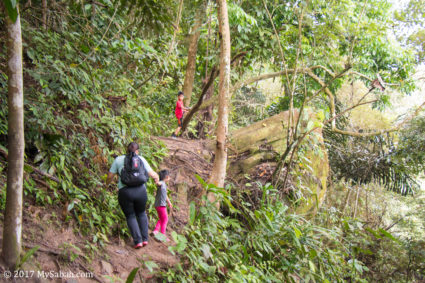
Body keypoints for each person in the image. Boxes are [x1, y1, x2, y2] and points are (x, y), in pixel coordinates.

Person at [106, 142, 160, 249]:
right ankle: (145, 239)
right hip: (141, 191)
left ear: (126, 150)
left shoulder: (118, 160)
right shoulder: (141, 159)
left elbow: (110, 176)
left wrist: (106, 184)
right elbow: (153, 174)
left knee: (130, 215)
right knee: (141, 213)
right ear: (137, 151)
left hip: (125, 192)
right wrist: (157, 180)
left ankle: (138, 241)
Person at [152, 170, 173, 240]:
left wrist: (169, 202)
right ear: (167, 177)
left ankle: (155, 230)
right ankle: (163, 236)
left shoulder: (164, 185)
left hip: (158, 205)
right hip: (161, 205)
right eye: (169, 177)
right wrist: (157, 182)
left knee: (161, 219)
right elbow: (159, 183)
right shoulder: (162, 183)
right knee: (165, 219)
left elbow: (165, 195)